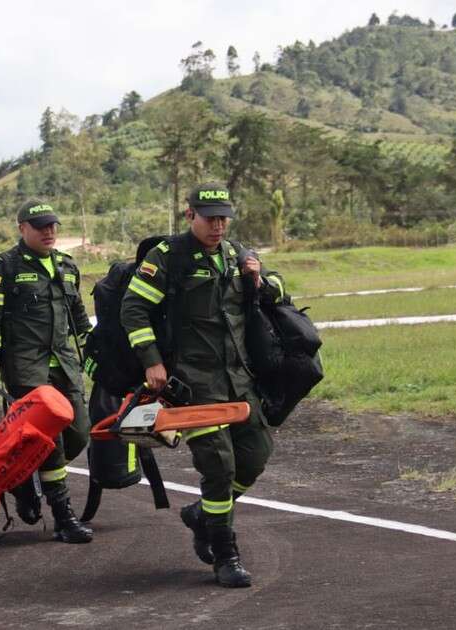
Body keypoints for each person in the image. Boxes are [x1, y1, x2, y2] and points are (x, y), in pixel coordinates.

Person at [120, 182, 286, 588]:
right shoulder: (167, 257)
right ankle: (225, 554)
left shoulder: (236, 255)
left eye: (223, 218)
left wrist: (261, 280)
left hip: (239, 377)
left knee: (256, 454)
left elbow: (279, 293)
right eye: (210, 217)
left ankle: (201, 515)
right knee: (218, 466)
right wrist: (152, 361)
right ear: (189, 215)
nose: (218, 225)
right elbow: (133, 308)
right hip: (193, 383)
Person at [0, 199, 94, 544]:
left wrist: (99, 354)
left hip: (66, 366)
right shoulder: (5, 267)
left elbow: (81, 322)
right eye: (40, 226)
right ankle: (64, 517)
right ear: (22, 228)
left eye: (53, 225)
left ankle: (24, 476)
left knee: (80, 432)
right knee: (48, 440)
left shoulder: (67, 267)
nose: (49, 231)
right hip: (26, 368)